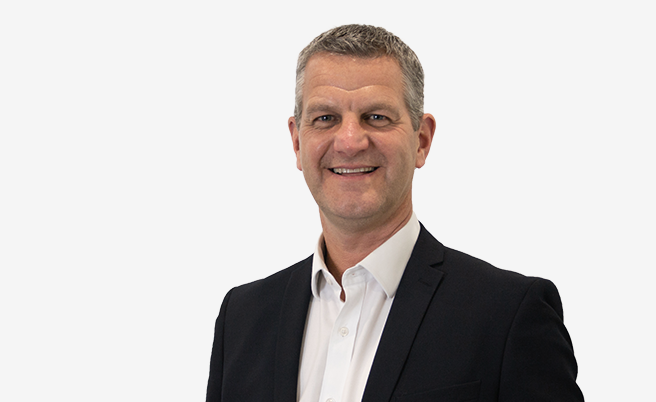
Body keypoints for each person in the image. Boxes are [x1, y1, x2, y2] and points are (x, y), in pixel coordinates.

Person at [206, 24, 583, 402]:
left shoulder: (508, 315)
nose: (350, 142)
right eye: (325, 118)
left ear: (422, 140)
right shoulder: (242, 320)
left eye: (376, 117)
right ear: (297, 141)